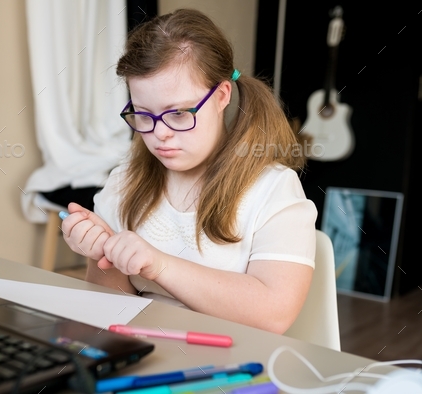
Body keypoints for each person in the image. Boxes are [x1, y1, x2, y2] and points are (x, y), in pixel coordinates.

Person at [60, 8, 317, 334]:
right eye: (143, 114)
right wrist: (103, 253)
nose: (159, 133)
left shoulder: (273, 189)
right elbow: (111, 307)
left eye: (179, 114)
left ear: (222, 95)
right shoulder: (125, 181)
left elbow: (273, 314)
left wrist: (159, 265)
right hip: (142, 353)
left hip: (230, 365)